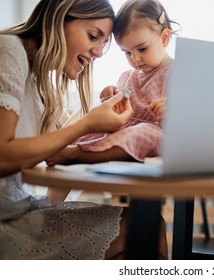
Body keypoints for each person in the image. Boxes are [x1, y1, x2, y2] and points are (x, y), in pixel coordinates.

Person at [0, 0, 167, 260]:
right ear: (59, 17)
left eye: (103, 43)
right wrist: (87, 125)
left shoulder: (35, 80)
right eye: (93, 36)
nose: (99, 52)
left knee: (150, 226)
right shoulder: (9, 50)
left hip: (18, 211)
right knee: (146, 229)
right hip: (9, 223)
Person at [46, 0, 179, 166]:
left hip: (155, 134)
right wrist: (112, 97)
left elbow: (197, 117)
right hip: (122, 130)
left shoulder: (178, 73)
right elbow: (119, 108)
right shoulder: (128, 76)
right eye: (127, 52)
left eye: (142, 49)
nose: (135, 59)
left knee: (142, 133)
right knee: (90, 134)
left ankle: (75, 154)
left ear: (164, 38)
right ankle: (65, 158)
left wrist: (174, 109)